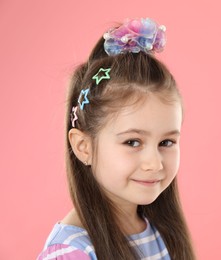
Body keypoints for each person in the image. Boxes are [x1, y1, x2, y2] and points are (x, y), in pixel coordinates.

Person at [37, 17, 196, 260]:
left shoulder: (161, 232)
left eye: (166, 142)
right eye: (133, 142)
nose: (154, 163)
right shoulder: (72, 253)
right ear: (84, 147)